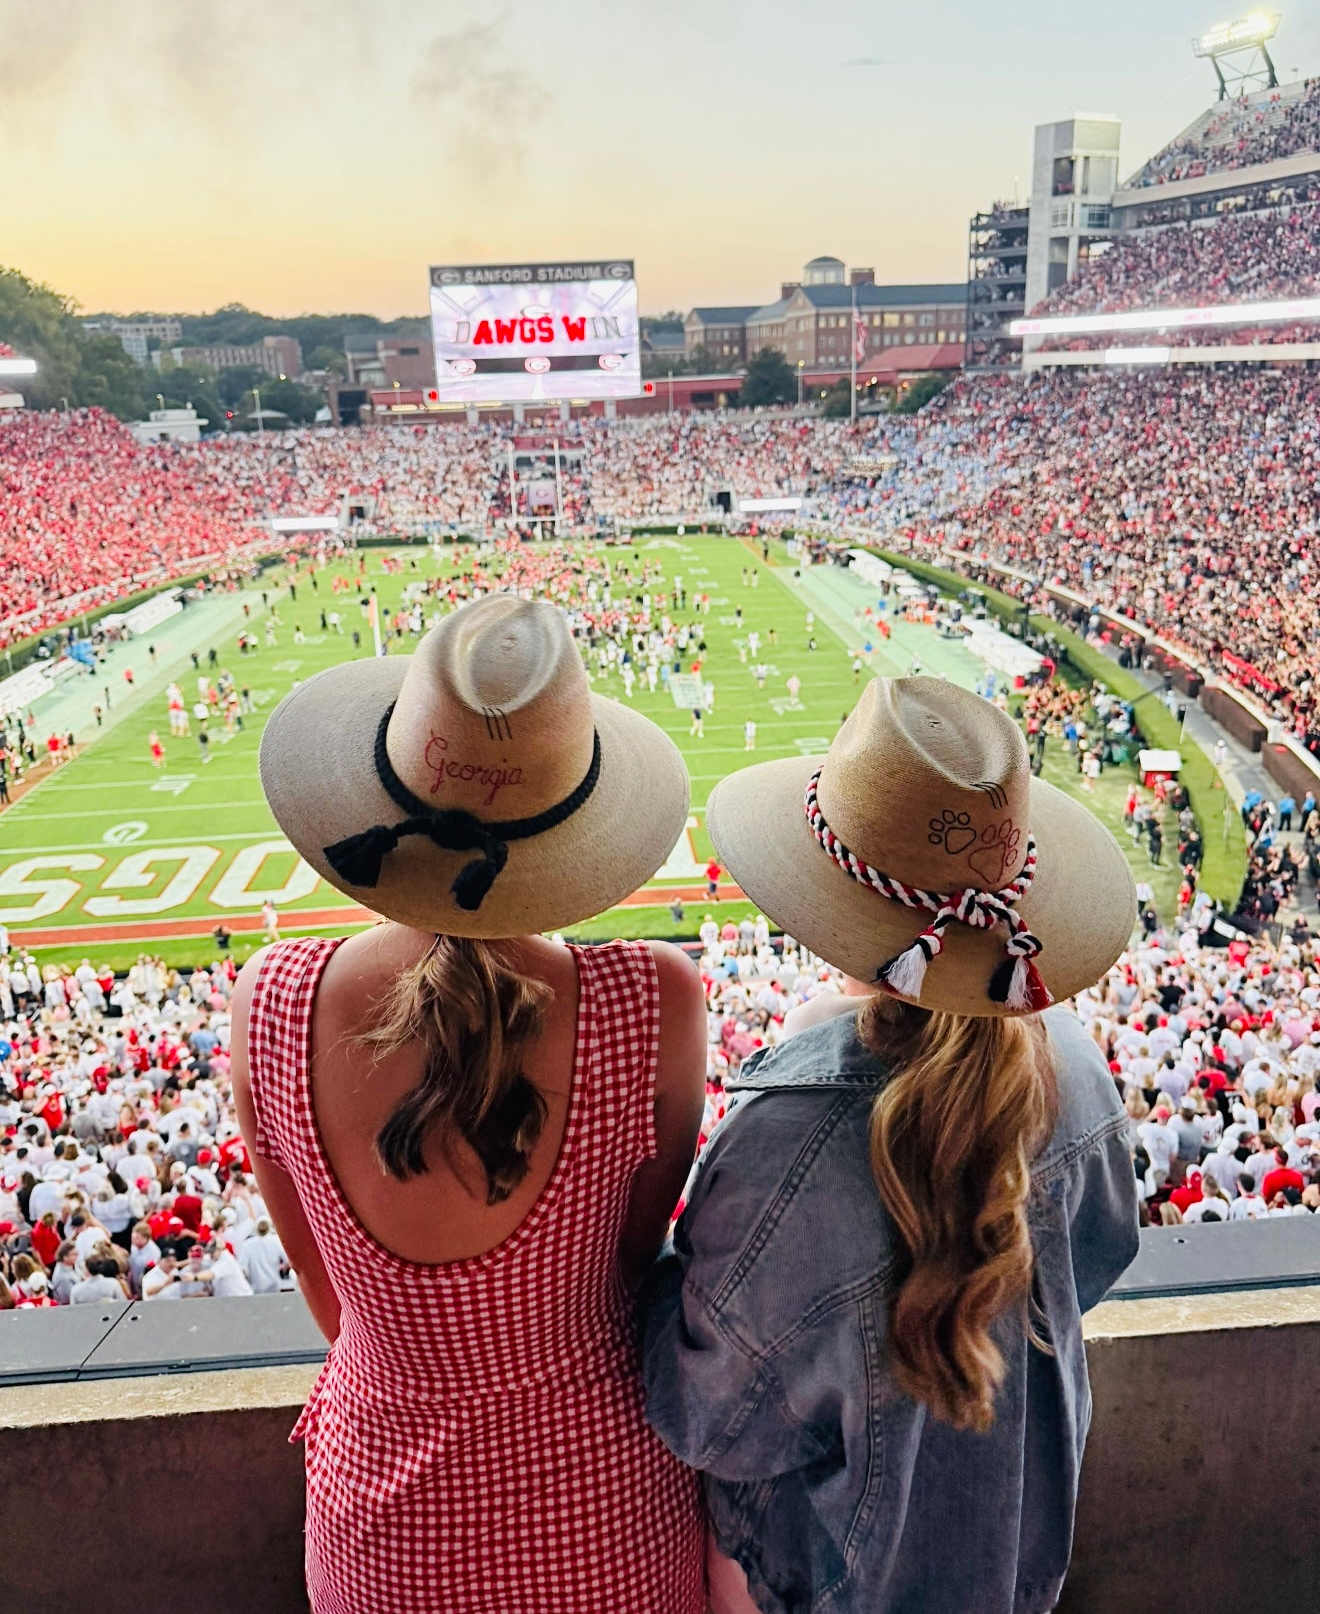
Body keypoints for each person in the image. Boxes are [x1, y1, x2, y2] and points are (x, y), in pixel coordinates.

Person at [230, 596, 707, 1614]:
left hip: (385, 1524)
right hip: (606, 1504)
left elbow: (328, 1295)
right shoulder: (651, 998)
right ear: (574, 819)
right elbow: (631, 1254)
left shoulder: (270, 999)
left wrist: (425, 1358)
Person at [643, 677, 1140, 1614]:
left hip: (820, 1575)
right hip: (1020, 1561)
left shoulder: (787, 1139)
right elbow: (1106, 1248)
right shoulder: (1076, 1064)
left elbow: (708, 1414)